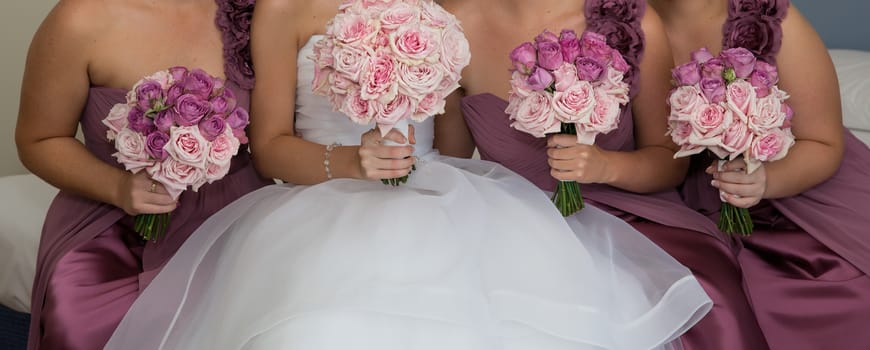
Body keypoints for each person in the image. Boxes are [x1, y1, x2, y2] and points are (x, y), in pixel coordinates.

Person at [103, 0, 712, 348]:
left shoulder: (437, 8)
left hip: (437, 189)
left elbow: (448, 143)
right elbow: (269, 148)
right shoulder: (283, 8)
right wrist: (350, 161)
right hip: (320, 195)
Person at [439, 0, 769, 348]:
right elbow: (452, 166)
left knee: (704, 293)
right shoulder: (455, 24)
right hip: (510, 224)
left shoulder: (632, 20)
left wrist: (604, 166)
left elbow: (668, 161)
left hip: (632, 218)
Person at [14, 0, 271, 348]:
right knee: (83, 327)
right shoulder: (80, 19)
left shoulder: (249, 15)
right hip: (110, 218)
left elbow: (278, 139)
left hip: (231, 217)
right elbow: (39, 139)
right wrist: (119, 187)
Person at [647, 0, 870, 349]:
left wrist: (765, 180)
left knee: (839, 292)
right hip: (691, 197)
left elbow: (823, 142)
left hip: (797, 184)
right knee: (716, 300)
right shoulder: (621, 24)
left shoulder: (767, 18)